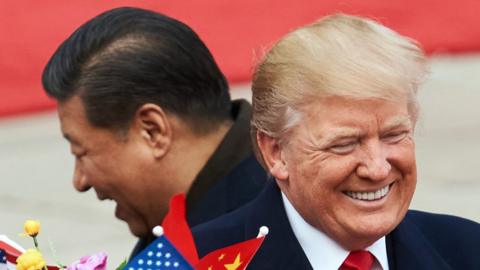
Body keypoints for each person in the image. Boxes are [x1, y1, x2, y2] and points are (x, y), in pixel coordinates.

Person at [193, 14, 480, 269]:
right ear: (276, 153)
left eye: (393, 135)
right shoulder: (191, 262)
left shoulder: (468, 249)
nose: (377, 169)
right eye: (344, 144)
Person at [41, 7, 266, 256]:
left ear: (152, 131)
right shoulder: (186, 219)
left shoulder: (262, 233)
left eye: (81, 151)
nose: (80, 181)